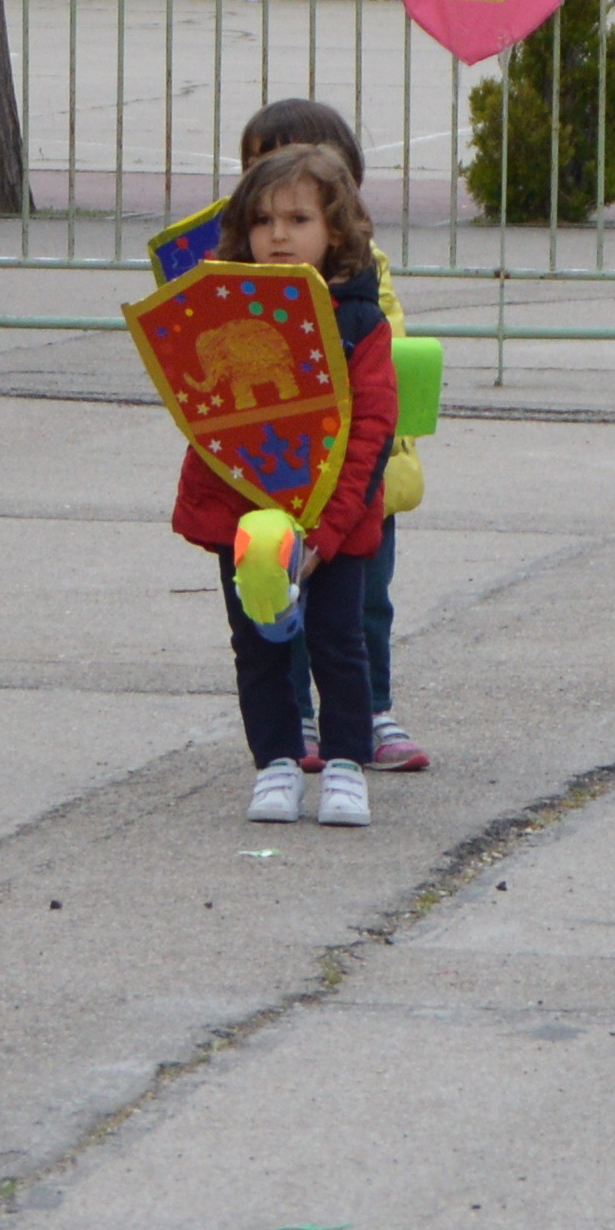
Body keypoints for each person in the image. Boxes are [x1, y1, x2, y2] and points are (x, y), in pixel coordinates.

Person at [178, 140, 397, 832]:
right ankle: (275, 762)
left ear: (336, 229)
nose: (278, 235)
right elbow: (210, 417)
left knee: (338, 642)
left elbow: (371, 432)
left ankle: (345, 766)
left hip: (335, 520)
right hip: (246, 516)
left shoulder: (360, 321)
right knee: (257, 642)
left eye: (299, 219)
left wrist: (326, 533)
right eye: (263, 220)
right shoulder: (219, 307)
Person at [237, 94, 425, 773]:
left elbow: (383, 356)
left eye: (299, 209)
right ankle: (299, 719)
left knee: (363, 603)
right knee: (277, 596)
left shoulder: (362, 279)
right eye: (259, 179)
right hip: (277, 474)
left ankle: (371, 711)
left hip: (362, 475)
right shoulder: (240, 277)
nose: (279, 226)